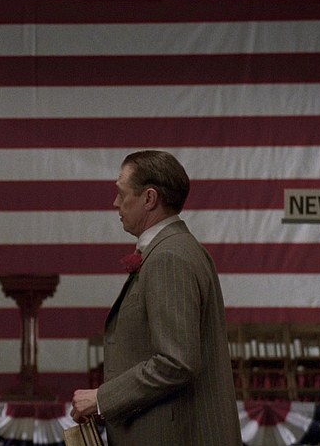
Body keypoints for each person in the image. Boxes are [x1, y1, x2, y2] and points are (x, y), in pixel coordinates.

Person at [70, 150, 241, 445]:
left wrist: (102, 399)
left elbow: (176, 361)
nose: (115, 203)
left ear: (149, 198)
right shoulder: (178, 249)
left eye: (122, 193)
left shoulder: (168, 257)